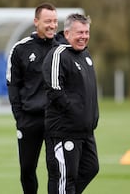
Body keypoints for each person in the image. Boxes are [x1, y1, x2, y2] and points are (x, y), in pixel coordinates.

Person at [42, 13, 99, 194]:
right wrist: (74, 112)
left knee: (91, 168)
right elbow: (54, 90)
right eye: (79, 33)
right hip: (64, 130)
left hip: (86, 131)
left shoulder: (85, 55)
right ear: (67, 34)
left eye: (86, 32)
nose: (83, 36)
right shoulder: (58, 54)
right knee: (65, 178)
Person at [6, 3, 58, 194]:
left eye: (55, 21)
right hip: (30, 119)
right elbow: (13, 84)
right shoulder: (21, 49)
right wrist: (19, 117)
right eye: (48, 21)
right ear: (36, 22)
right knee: (27, 169)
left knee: (56, 169)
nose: (52, 25)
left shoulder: (62, 48)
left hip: (56, 120)